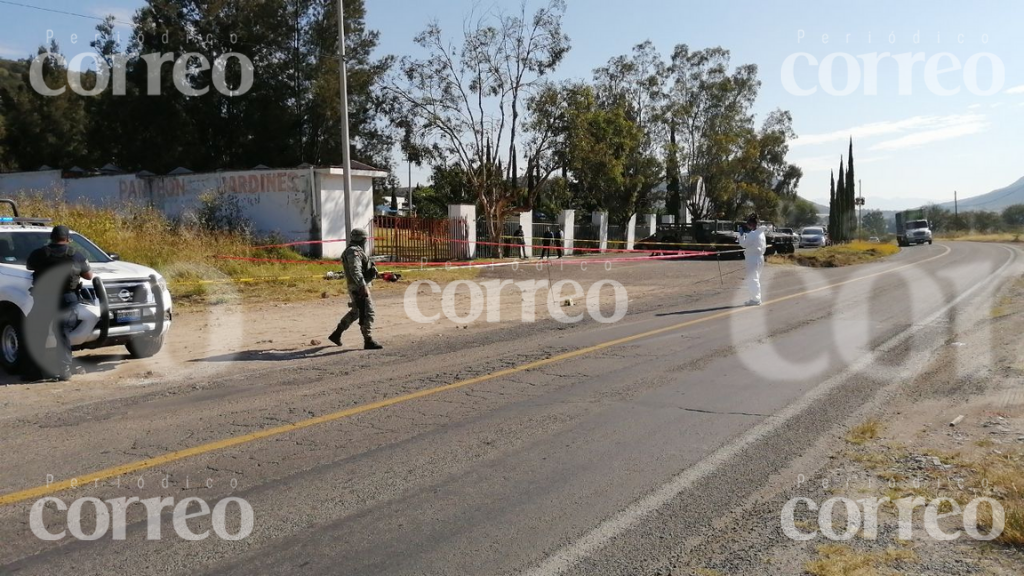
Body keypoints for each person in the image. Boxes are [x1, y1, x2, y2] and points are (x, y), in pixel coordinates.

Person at [24, 225, 94, 381]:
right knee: (62, 334)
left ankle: (35, 371)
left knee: (38, 334)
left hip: (44, 298)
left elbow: (29, 266)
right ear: (68, 239)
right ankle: (64, 370)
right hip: (67, 299)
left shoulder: (40, 253)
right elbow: (89, 276)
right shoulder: (76, 255)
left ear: (51, 237)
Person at [328, 228, 383, 350]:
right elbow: (355, 270)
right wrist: (362, 286)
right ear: (362, 239)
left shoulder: (356, 251)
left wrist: (385, 276)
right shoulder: (353, 252)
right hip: (358, 287)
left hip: (359, 285)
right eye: (365, 240)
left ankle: (337, 334)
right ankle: (368, 340)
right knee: (368, 312)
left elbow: (366, 270)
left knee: (356, 312)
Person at [738, 214, 767, 307]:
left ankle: (756, 299)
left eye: (748, 225)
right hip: (760, 257)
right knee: (756, 278)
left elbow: (743, 244)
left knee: (752, 279)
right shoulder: (761, 233)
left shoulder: (753, 234)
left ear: (751, 225)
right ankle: (755, 297)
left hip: (752, 258)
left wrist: (741, 235)